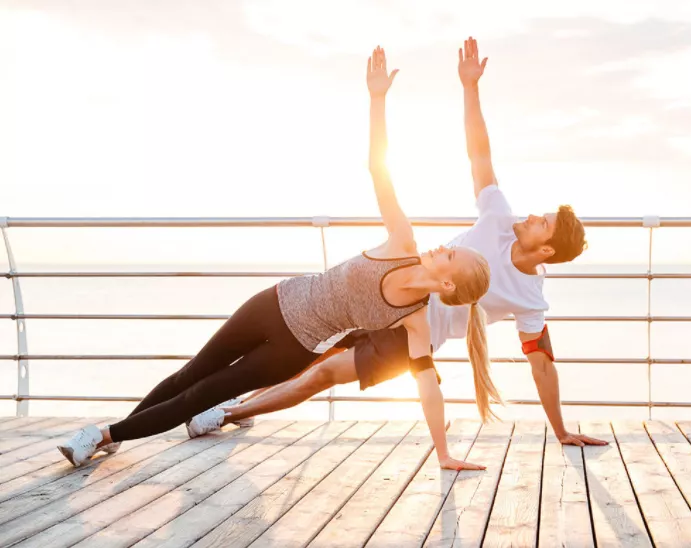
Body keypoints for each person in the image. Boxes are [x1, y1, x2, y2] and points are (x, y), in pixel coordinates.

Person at [57, 46, 499, 469]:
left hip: (294, 349)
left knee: (201, 395)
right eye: (451, 246)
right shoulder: (402, 241)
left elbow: (428, 388)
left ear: (447, 284)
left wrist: (443, 453)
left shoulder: (416, 321)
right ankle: (116, 433)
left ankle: (101, 435)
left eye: (450, 255)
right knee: (190, 374)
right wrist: (377, 98)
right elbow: (377, 169)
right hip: (274, 302)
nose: (443, 246)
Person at [189, 37, 608, 450]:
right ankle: (231, 401)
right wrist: (470, 87)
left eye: (542, 223)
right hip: (392, 291)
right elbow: (479, 154)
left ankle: (226, 414)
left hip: (415, 337)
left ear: (546, 250)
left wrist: (561, 431)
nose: (532, 216)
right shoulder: (499, 217)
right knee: (308, 352)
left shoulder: (531, 299)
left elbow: (542, 367)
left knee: (322, 375)